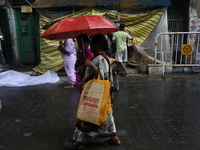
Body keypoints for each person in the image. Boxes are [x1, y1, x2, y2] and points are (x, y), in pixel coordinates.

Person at [64, 34, 121, 149]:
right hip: (101, 94)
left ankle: (78, 141)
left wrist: (91, 66)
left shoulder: (100, 59)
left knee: (85, 115)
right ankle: (113, 137)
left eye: (93, 43)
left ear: (98, 45)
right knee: (106, 114)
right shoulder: (100, 57)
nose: (91, 46)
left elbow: (104, 77)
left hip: (95, 92)